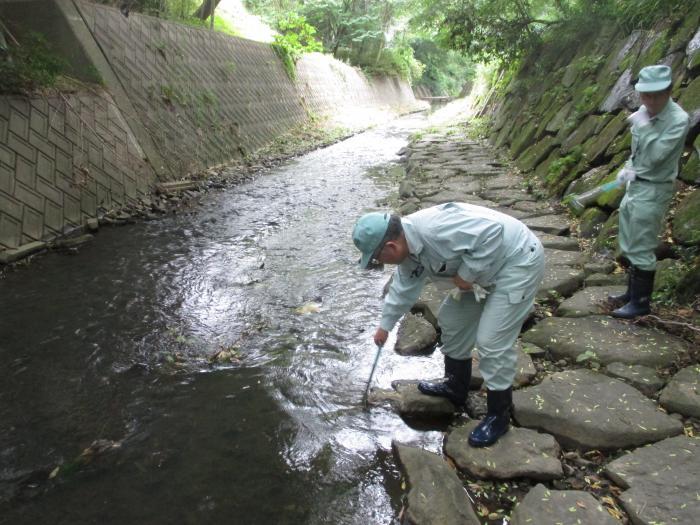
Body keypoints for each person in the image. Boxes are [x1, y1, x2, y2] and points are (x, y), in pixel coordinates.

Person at [352, 202, 545, 447]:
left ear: (391, 246)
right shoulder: (407, 252)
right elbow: (402, 290)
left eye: (378, 257)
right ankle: (456, 385)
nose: (381, 263)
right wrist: (384, 327)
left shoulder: (438, 230)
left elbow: (493, 231)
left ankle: (499, 415)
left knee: (491, 342)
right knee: (451, 319)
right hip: (481, 272)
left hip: (517, 262)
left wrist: (466, 274)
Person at [609, 64, 690, 319]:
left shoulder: (678, 120)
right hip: (636, 185)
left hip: (654, 188)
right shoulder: (645, 110)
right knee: (629, 239)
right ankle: (630, 294)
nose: (651, 101)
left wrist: (643, 126)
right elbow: (637, 154)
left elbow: (655, 156)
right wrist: (627, 169)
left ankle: (640, 303)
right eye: (646, 95)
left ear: (668, 92)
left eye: (657, 95)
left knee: (642, 243)